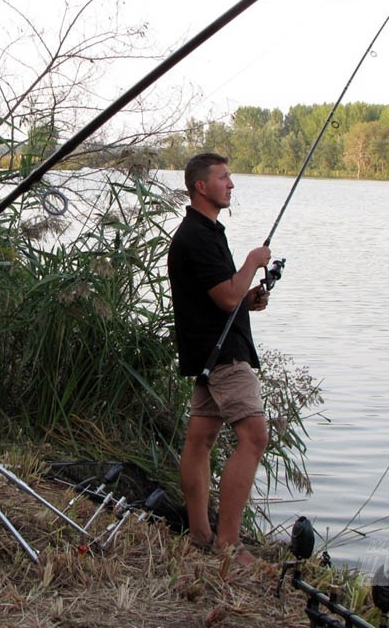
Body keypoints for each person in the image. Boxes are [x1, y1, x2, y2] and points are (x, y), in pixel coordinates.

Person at [167, 152, 271, 565]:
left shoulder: (206, 232)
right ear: (201, 186)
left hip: (207, 353)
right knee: (255, 437)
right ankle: (228, 543)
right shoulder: (196, 235)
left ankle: (199, 533)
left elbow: (222, 295)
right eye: (224, 178)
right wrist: (251, 263)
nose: (231, 185)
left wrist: (249, 298)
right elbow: (226, 298)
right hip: (223, 355)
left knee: (202, 439)